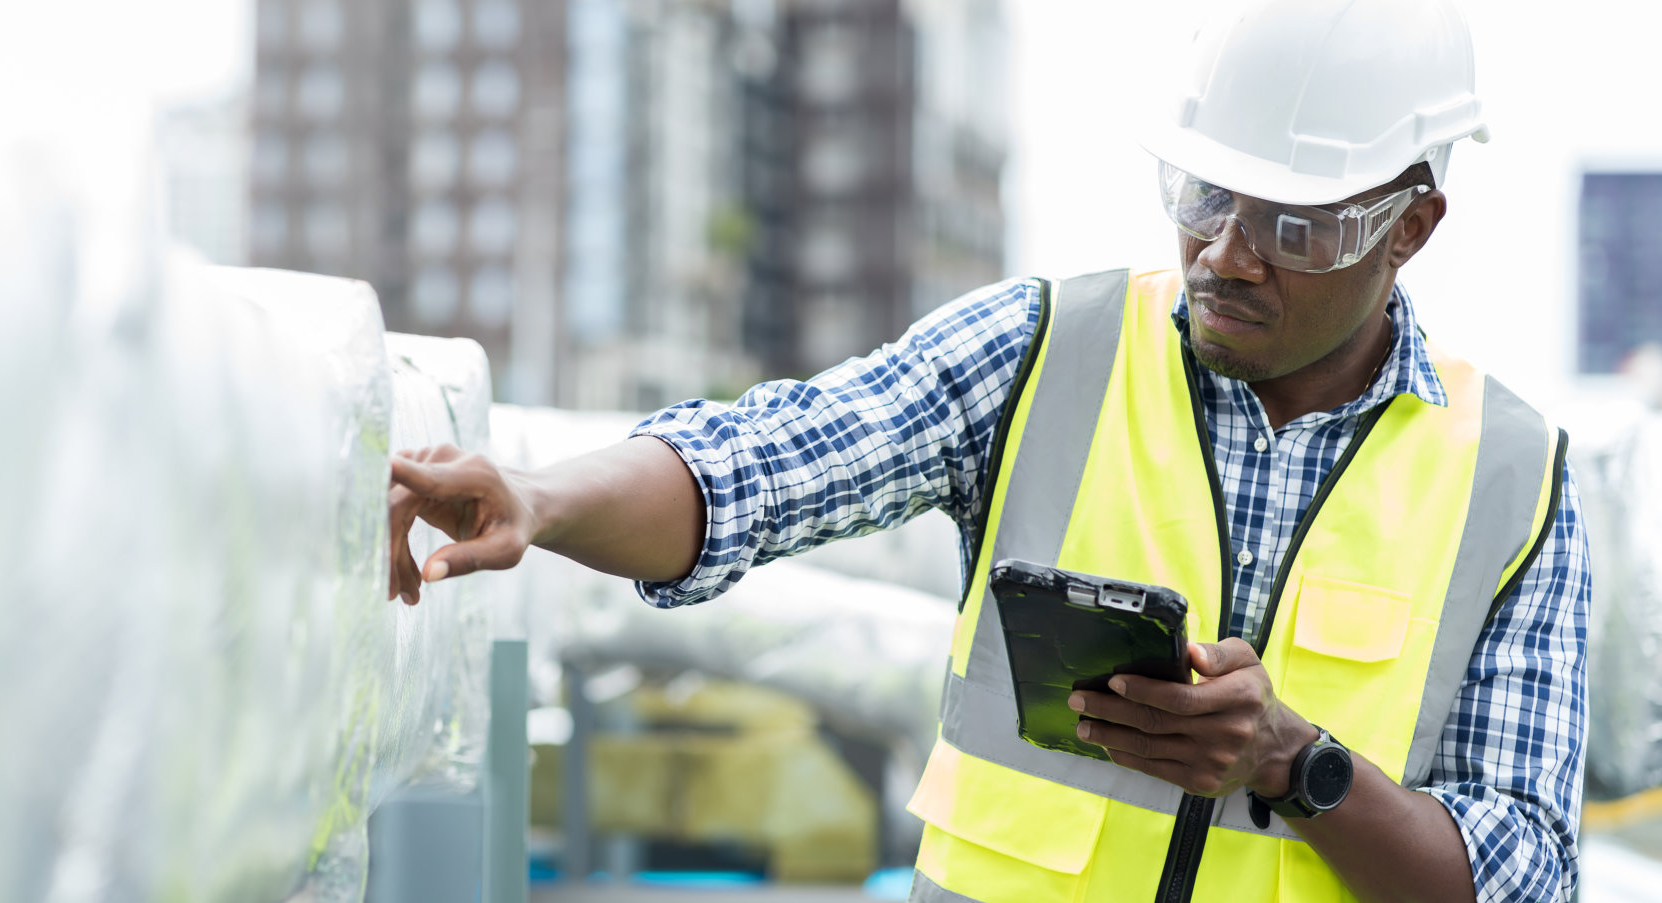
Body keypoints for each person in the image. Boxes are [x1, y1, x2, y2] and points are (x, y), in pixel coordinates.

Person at [386, 0, 1589, 899]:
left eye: (1293, 224)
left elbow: (1524, 869)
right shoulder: (1041, 351)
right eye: (1203, 194)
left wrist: (1293, 765)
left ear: (1413, 225)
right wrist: (542, 499)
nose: (1226, 252)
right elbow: (766, 460)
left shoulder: (1511, 481)